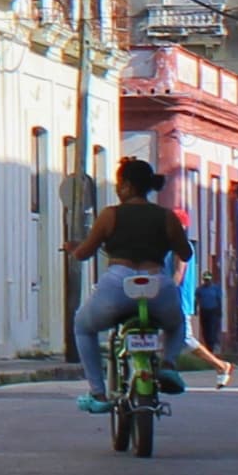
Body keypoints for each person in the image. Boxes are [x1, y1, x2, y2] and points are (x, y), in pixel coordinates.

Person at [64, 158, 192, 414]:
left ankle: (98, 393)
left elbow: (83, 254)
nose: (118, 188)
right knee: (177, 324)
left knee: (82, 326)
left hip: (118, 284)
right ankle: (167, 365)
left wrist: (74, 247)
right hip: (157, 284)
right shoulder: (166, 217)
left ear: (128, 186)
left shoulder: (111, 215)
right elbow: (186, 254)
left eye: (120, 183)